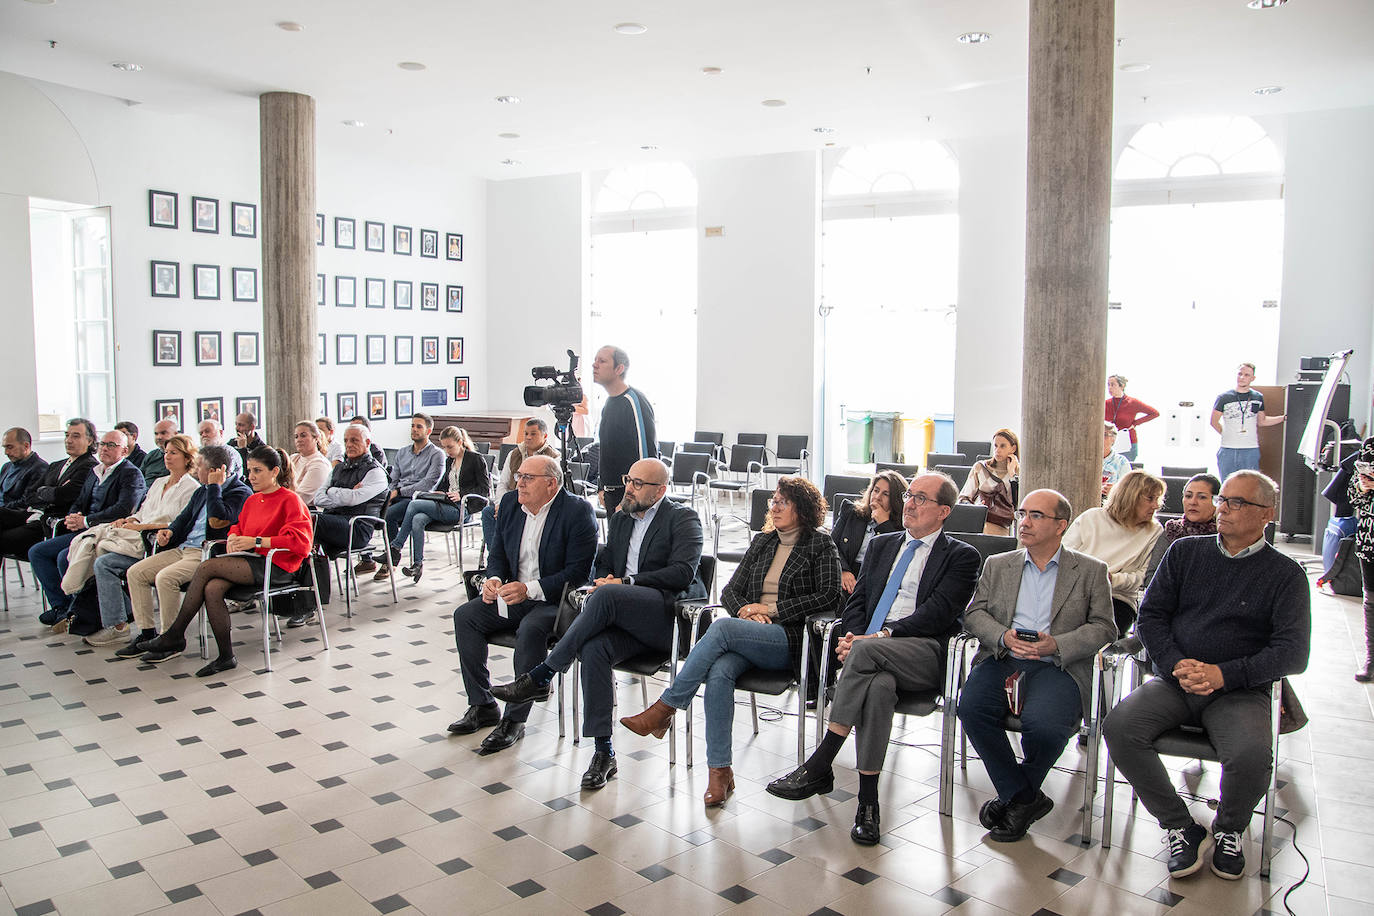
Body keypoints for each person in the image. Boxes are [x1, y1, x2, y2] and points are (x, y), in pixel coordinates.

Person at [1103, 470, 1309, 880]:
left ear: (1267, 513)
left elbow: (1292, 654)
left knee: (1251, 754)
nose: (1223, 508)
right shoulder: (1186, 554)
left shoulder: (1286, 574)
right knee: (1120, 728)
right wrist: (1177, 662)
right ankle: (1180, 826)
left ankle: (1230, 828)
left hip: (1239, 691)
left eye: (1236, 502)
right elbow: (1152, 617)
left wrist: (1223, 674)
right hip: (1177, 680)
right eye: (1224, 500)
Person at [766, 473, 980, 845]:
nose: (910, 503)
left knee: (866, 654)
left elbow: (939, 613)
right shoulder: (882, 545)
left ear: (944, 511)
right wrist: (853, 637)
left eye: (922, 499)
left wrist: (876, 639)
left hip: (922, 652)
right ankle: (868, 805)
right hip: (872, 653)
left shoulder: (961, 556)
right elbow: (858, 602)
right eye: (910, 495)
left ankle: (821, 762)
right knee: (878, 688)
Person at [621, 476, 842, 807]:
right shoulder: (763, 542)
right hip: (750, 632)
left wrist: (770, 609)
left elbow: (828, 595)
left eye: (783, 501)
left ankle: (666, 707)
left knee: (722, 629)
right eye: (773, 501)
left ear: (804, 508)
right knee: (721, 671)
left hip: (790, 638)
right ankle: (719, 772)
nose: (775, 506)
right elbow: (729, 591)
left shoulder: (821, 545)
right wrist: (748, 612)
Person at [490, 458, 705, 789]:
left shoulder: (683, 518)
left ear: (660, 491)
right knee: (594, 648)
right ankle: (604, 753)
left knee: (605, 597)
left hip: (666, 619)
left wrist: (624, 584)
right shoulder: (621, 518)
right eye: (628, 479)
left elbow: (681, 574)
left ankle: (543, 673)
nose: (629, 488)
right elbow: (602, 563)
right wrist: (603, 578)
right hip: (622, 618)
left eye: (637, 484)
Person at [955, 488, 1115, 842]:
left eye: (1035, 515)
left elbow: (1105, 626)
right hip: (1003, 658)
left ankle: (1014, 797)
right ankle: (1024, 797)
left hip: (1058, 664)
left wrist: (1058, 643)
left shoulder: (1090, 570)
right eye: (1023, 513)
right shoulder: (999, 565)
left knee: (1044, 727)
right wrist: (1003, 636)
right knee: (972, 709)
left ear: (1061, 525)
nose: (1023, 522)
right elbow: (974, 614)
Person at [449, 455, 597, 754]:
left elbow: (578, 572)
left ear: (551, 484)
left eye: (528, 477)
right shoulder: (511, 509)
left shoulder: (577, 511)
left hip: (554, 600)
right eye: (519, 476)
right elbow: (498, 555)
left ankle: (514, 720)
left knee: (531, 629)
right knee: (466, 616)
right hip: (513, 594)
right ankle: (482, 704)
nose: (520, 483)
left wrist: (529, 589)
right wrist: (493, 579)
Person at [139, 447, 314, 676]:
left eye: (258, 471)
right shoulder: (253, 500)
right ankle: (225, 656)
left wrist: (256, 541)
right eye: (250, 470)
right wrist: (233, 535)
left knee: (207, 567)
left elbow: (300, 543)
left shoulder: (290, 500)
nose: (251, 476)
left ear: (275, 472)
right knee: (212, 587)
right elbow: (238, 526)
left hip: (278, 566)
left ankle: (174, 634)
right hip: (251, 561)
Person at [114, 445, 251, 658]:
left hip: (207, 554)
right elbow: (183, 519)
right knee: (136, 572)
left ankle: (170, 639)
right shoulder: (201, 491)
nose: (196, 470)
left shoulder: (239, 492)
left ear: (216, 469)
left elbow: (217, 522)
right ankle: (146, 633)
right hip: (183, 549)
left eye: (200, 466)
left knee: (166, 578)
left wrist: (215, 487)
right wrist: (169, 532)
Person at [80, 435, 200, 646]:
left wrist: (139, 527)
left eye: (173, 453)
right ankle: (117, 622)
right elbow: (144, 512)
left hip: (161, 545)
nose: (167, 457)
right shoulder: (158, 482)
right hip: (138, 540)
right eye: (165, 453)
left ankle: (130, 627)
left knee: (109, 563)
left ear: (187, 457)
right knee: (100, 556)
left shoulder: (191, 487)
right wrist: (129, 520)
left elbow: (177, 525)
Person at [31, 428, 147, 629]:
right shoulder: (95, 472)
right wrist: (74, 516)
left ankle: (83, 612)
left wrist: (86, 521)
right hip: (87, 532)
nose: (105, 449)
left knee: (64, 556)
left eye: (112, 445)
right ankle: (63, 608)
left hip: (110, 533)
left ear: (125, 451)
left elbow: (122, 510)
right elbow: (80, 500)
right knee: (37, 552)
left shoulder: (130, 474)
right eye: (103, 444)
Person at [1063, 469, 1165, 633]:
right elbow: (1064, 558)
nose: (1156, 505)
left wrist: (1112, 579)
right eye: (1150, 499)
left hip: (1117, 598)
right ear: (1132, 496)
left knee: (1094, 631)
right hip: (1077, 592)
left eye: (1158, 499)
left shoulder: (1154, 531)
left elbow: (1142, 577)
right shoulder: (1092, 517)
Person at [388, 426, 488, 583]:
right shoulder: (450, 461)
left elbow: (484, 490)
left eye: (450, 447)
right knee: (418, 519)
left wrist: (461, 494)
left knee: (414, 505)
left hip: (462, 509)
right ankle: (417, 564)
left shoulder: (475, 459)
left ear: (460, 442)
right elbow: (443, 486)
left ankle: (396, 548)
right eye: (444, 447)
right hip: (446, 504)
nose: (447, 451)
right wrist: (439, 493)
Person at [356, 413, 444, 581]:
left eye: (419, 426)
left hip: (419, 499)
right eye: (412, 426)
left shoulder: (436, 454)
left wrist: (399, 491)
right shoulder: (403, 452)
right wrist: (389, 493)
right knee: (368, 510)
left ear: (428, 431)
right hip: (397, 495)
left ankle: (390, 561)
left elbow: (428, 484)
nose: (414, 430)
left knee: (389, 515)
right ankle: (369, 558)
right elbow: (393, 480)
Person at [0, 419, 96, 564]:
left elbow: (63, 495)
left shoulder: (90, 466)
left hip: (51, 522)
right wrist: (50, 492)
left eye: (76, 436)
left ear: (89, 441)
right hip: (32, 514)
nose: (69, 440)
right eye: (67, 435)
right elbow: (31, 496)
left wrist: (47, 492)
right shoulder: (56, 465)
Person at [591, 345, 656, 513]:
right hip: (611, 494)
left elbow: (646, 456)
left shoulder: (634, 401)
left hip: (630, 496)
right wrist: (601, 486)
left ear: (619, 369)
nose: (594, 365)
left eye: (602, 361)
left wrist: (632, 497)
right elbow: (606, 450)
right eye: (595, 360)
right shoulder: (608, 403)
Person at [311, 424, 388, 560]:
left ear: (367, 442)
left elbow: (353, 498)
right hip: (334, 521)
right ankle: (308, 576)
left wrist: (331, 490)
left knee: (308, 521)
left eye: (354, 440)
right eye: (346, 440)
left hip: (357, 528)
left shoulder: (376, 471)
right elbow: (317, 498)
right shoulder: (338, 468)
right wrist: (344, 496)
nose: (349, 444)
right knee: (301, 520)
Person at [480, 418, 559, 550]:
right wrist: (501, 504)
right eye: (526, 433)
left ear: (544, 436)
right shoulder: (514, 454)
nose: (528, 437)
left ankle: (514, 555)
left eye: (533, 434)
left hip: (536, 504)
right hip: (512, 500)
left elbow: (551, 490)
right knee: (488, 512)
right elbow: (503, 483)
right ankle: (495, 557)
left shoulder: (554, 457)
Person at [831, 470, 906, 593]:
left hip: (876, 582)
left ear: (895, 500)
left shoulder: (901, 528)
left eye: (885, 494)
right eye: (876, 491)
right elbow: (831, 545)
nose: (877, 497)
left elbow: (893, 559)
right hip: (846, 573)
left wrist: (884, 525)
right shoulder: (852, 513)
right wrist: (843, 570)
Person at [1211, 362, 1285, 481]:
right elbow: (1214, 421)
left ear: (1252, 378)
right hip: (1228, 449)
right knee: (1227, 484)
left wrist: (1282, 418)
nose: (1242, 377)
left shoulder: (1257, 397)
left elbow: (1262, 421)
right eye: (1240, 374)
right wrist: (1226, 434)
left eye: (1246, 375)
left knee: (1250, 485)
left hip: (1250, 449)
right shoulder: (1224, 397)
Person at [958, 428, 1021, 534]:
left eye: (1003, 446)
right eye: (996, 446)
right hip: (979, 521)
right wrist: (976, 509)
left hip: (1002, 525)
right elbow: (963, 498)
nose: (997, 450)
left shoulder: (1018, 473)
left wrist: (1012, 475)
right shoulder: (980, 467)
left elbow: (1017, 504)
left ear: (1013, 448)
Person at [1347, 438, 1374, 681]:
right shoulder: (1370, 446)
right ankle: (1372, 660)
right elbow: (1353, 497)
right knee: (1372, 601)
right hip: (1369, 542)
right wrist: (1362, 487)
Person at [1105, 375, 1159, 463]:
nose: (1109, 388)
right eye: (1108, 385)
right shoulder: (1106, 403)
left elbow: (1154, 413)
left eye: (1113, 385)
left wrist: (1135, 423)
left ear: (1121, 386)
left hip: (1127, 442)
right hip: (1109, 442)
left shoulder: (1132, 402)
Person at [0, 427, 48, 511]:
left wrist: (2, 508)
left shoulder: (40, 468)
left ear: (26, 446)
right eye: (5, 447)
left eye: (10, 447)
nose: (6, 452)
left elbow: (26, 502)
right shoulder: (6, 467)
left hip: (15, 515)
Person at [288, 421, 332, 505]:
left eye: (303, 436)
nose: (299, 440)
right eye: (296, 437)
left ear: (316, 438)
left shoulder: (320, 464)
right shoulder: (293, 458)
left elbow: (302, 498)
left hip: (306, 511)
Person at [138, 418, 179, 486]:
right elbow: (139, 478)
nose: (159, 437)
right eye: (156, 434)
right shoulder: (151, 455)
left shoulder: (181, 456)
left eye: (163, 433)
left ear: (175, 434)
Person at [1101, 422, 1132, 496]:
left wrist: (1114, 491)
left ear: (1113, 439)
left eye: (1105, 434)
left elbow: (1129, 490)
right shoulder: (1083, 459)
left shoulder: (1121, 462)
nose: (1100, 437)